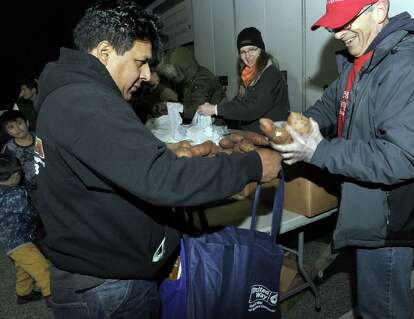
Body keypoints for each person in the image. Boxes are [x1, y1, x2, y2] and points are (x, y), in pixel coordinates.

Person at [34, 1, 281, 318]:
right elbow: (165, 180)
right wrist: (253, 165)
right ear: (106, 52)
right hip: (107, 289)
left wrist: (164, 155)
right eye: (140, 62)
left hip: (102, 275)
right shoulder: (85, 101)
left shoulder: (72, 95)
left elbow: (113, 165)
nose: (148, 75)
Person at [272, 1, 414, 318]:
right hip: (367, 203)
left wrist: (318, 151)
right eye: (333, 24)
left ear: (379, 11)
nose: (337, 34)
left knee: (380, 308)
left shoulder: (408, 67)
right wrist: (300, 129)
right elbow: (330, 106)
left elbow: (402, 157)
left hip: (389, 216)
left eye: (344, 22)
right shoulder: (363, 61)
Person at [197, 27, 290, 133]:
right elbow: (238, 103)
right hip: (252, 136)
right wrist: (214, 119)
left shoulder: (271, 74)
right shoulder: (248, 74)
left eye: (252, 50)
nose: (247, 56)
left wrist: (216, 109)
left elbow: (253, 109)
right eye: (243, 52)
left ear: (261, 50)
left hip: (271, 138)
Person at [0, 151, 51, 306]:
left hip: (8, 241)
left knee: (23, 267)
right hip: (20, 240)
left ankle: (24, 293)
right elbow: (30, 213)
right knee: (41, 267)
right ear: (15, 174)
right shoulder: (16, 194)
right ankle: (52, 296)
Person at [157, 46, 226, 121]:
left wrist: (170, 108)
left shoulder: (201, 80)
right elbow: (190, 104)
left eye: (173, 75)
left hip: (218, 126)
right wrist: (171, 105)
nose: (171, 79)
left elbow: (196, 111)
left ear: (182, 67)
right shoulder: (192, 77)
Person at [1, 110, 37, 192]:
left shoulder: (40, 137)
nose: (17, 128)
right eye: (11, 127)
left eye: (19, 123)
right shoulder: (9, 148)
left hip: (51, 179)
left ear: (27, 123)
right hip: (30, 190)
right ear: (7, 132)